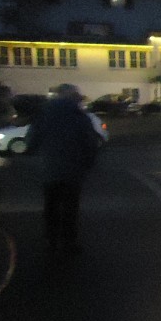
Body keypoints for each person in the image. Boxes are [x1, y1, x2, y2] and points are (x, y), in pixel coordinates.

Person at [25, 83, 100, 253]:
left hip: (49, 168)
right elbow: (90, 143)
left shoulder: (44, 114)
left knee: (51, 205)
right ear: (74, 98)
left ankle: (51, 240)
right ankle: (68, 241)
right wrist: (89, 163)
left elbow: (32, 140)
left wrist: (34, 152)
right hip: (73, 170)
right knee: (70, 207)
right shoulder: (80, 117)